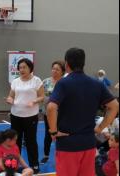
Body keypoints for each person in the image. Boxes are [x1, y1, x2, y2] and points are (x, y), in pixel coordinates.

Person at [47, 47, 119, 176]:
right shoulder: (96, 84)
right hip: (89, 143)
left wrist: (53, 131)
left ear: (67, 64)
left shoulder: (63, 83)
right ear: (83, 63)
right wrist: (100, 127)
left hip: (67, 144)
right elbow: (114, 106)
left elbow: (51, 107)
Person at [5, 58, 44, 173]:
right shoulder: (16, 81)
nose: (21, 70)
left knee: (31, 141)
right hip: (16, 115)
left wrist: (34, 101)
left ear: (30, 68)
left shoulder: (37, 81)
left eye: (24, 67)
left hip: (31, 116)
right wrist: (9, 100)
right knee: (15, 142)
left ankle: (34, 165)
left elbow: (42, 96)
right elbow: (11, 96)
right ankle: (14, 164)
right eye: (20, 67)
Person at [40, 60, 65, 164]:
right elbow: (42, 96)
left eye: (57, 69)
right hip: (48, 113)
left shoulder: (65, 82)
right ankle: (46, 155)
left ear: (62, 71)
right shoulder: (45, 82)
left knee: (61, 134)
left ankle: (62, 155)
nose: (54, 71)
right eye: (53, 68)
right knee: (48, 134)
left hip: (62, 114)